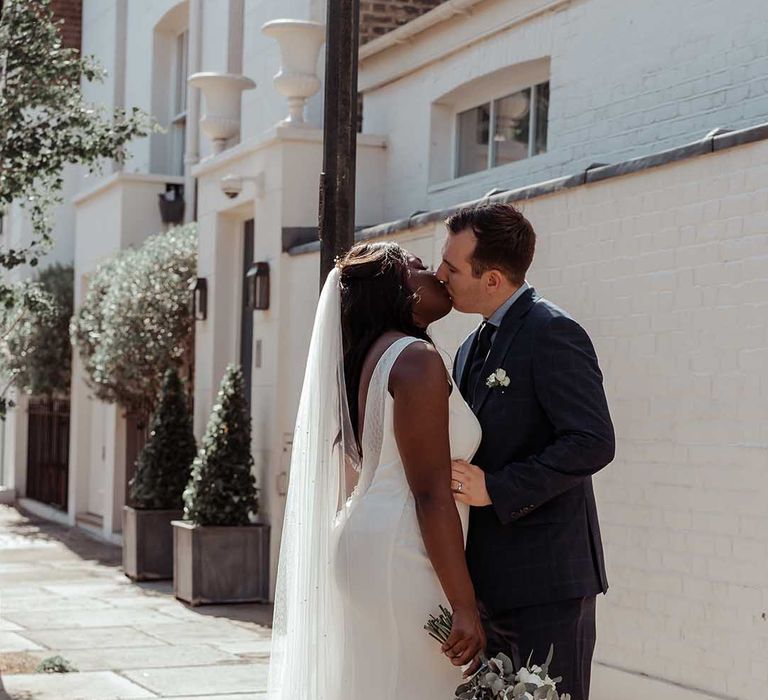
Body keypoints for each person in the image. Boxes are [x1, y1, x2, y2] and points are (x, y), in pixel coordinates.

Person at [267, 241, 486, 700]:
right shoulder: (416, 360)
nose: (436, 275)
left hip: (368, 536)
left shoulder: (376, 355)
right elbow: (429, 493)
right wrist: (464, 606)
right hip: (404, 552)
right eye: (420, 268)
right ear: (400, 290)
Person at [436, 202, 615, 700]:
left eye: (452, 267)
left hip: (548, 584)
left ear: (492, 279)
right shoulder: (471, 346)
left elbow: (594, 441)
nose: (439, 274)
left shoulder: (554, 333)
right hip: (488, 584)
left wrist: (497, 487)